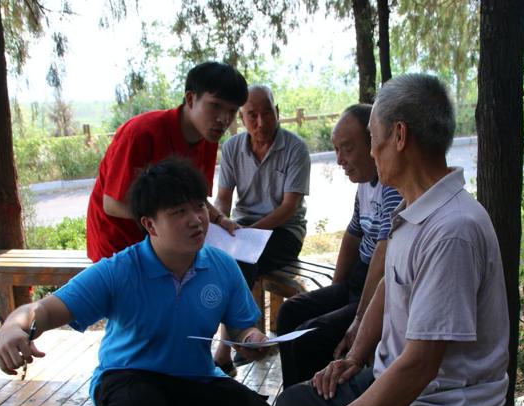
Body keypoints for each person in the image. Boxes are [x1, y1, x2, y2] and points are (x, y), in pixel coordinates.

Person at [232, 74, 510, 406]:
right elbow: (388, 285)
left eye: (373, 137)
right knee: (293, 405)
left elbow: (420, 366)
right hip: (408, 393)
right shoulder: (415, 207)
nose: (371, 150)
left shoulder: (452, 230)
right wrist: (355, 355)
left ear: (399, 136)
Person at [0, 159, 276, 406]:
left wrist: (253, 340)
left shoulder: (221, 266)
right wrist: (13, 328)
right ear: (150, 224)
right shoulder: (120, 270)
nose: (196, 220)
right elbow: (43, 310)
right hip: (130, 378)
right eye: (178, 212)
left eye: (199, 206)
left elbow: (244, 328)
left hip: (194, 378)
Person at [274, 104, 401, 388]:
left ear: (373, 143)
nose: (340, 160)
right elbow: (353, 235)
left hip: (376, 291)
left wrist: (359, 318)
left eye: (347, 149)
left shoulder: (391, 187)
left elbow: (383, 254)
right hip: (357, 281)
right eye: (336, 150)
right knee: (289, 312)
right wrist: (334, 292)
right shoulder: (364, 184)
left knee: (309, 337)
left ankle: (315, 403)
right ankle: (292, 396)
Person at [85, 61, 247, 262]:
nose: (223, 119)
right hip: (117, 245)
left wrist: (219, 219)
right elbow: (112, 204)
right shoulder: (141, 133)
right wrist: (171, 220)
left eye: (232, 111)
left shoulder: (208, 138)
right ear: (190, 99)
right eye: (215, 106)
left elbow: (194, 197)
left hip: (165, 244)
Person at [213, 85, 311, 373]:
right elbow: (222, 198)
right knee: (218, 257)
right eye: (252, 115)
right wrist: (219, 222)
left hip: (285, 232)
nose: (261, 122)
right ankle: (237, 341)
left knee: (240, 259)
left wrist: (247, 234)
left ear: (277, 112)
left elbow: (288, 208)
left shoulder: (295, 148)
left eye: (267, 113)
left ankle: (226, 348)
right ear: (241, 119)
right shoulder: (232, 148)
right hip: (244, 229)